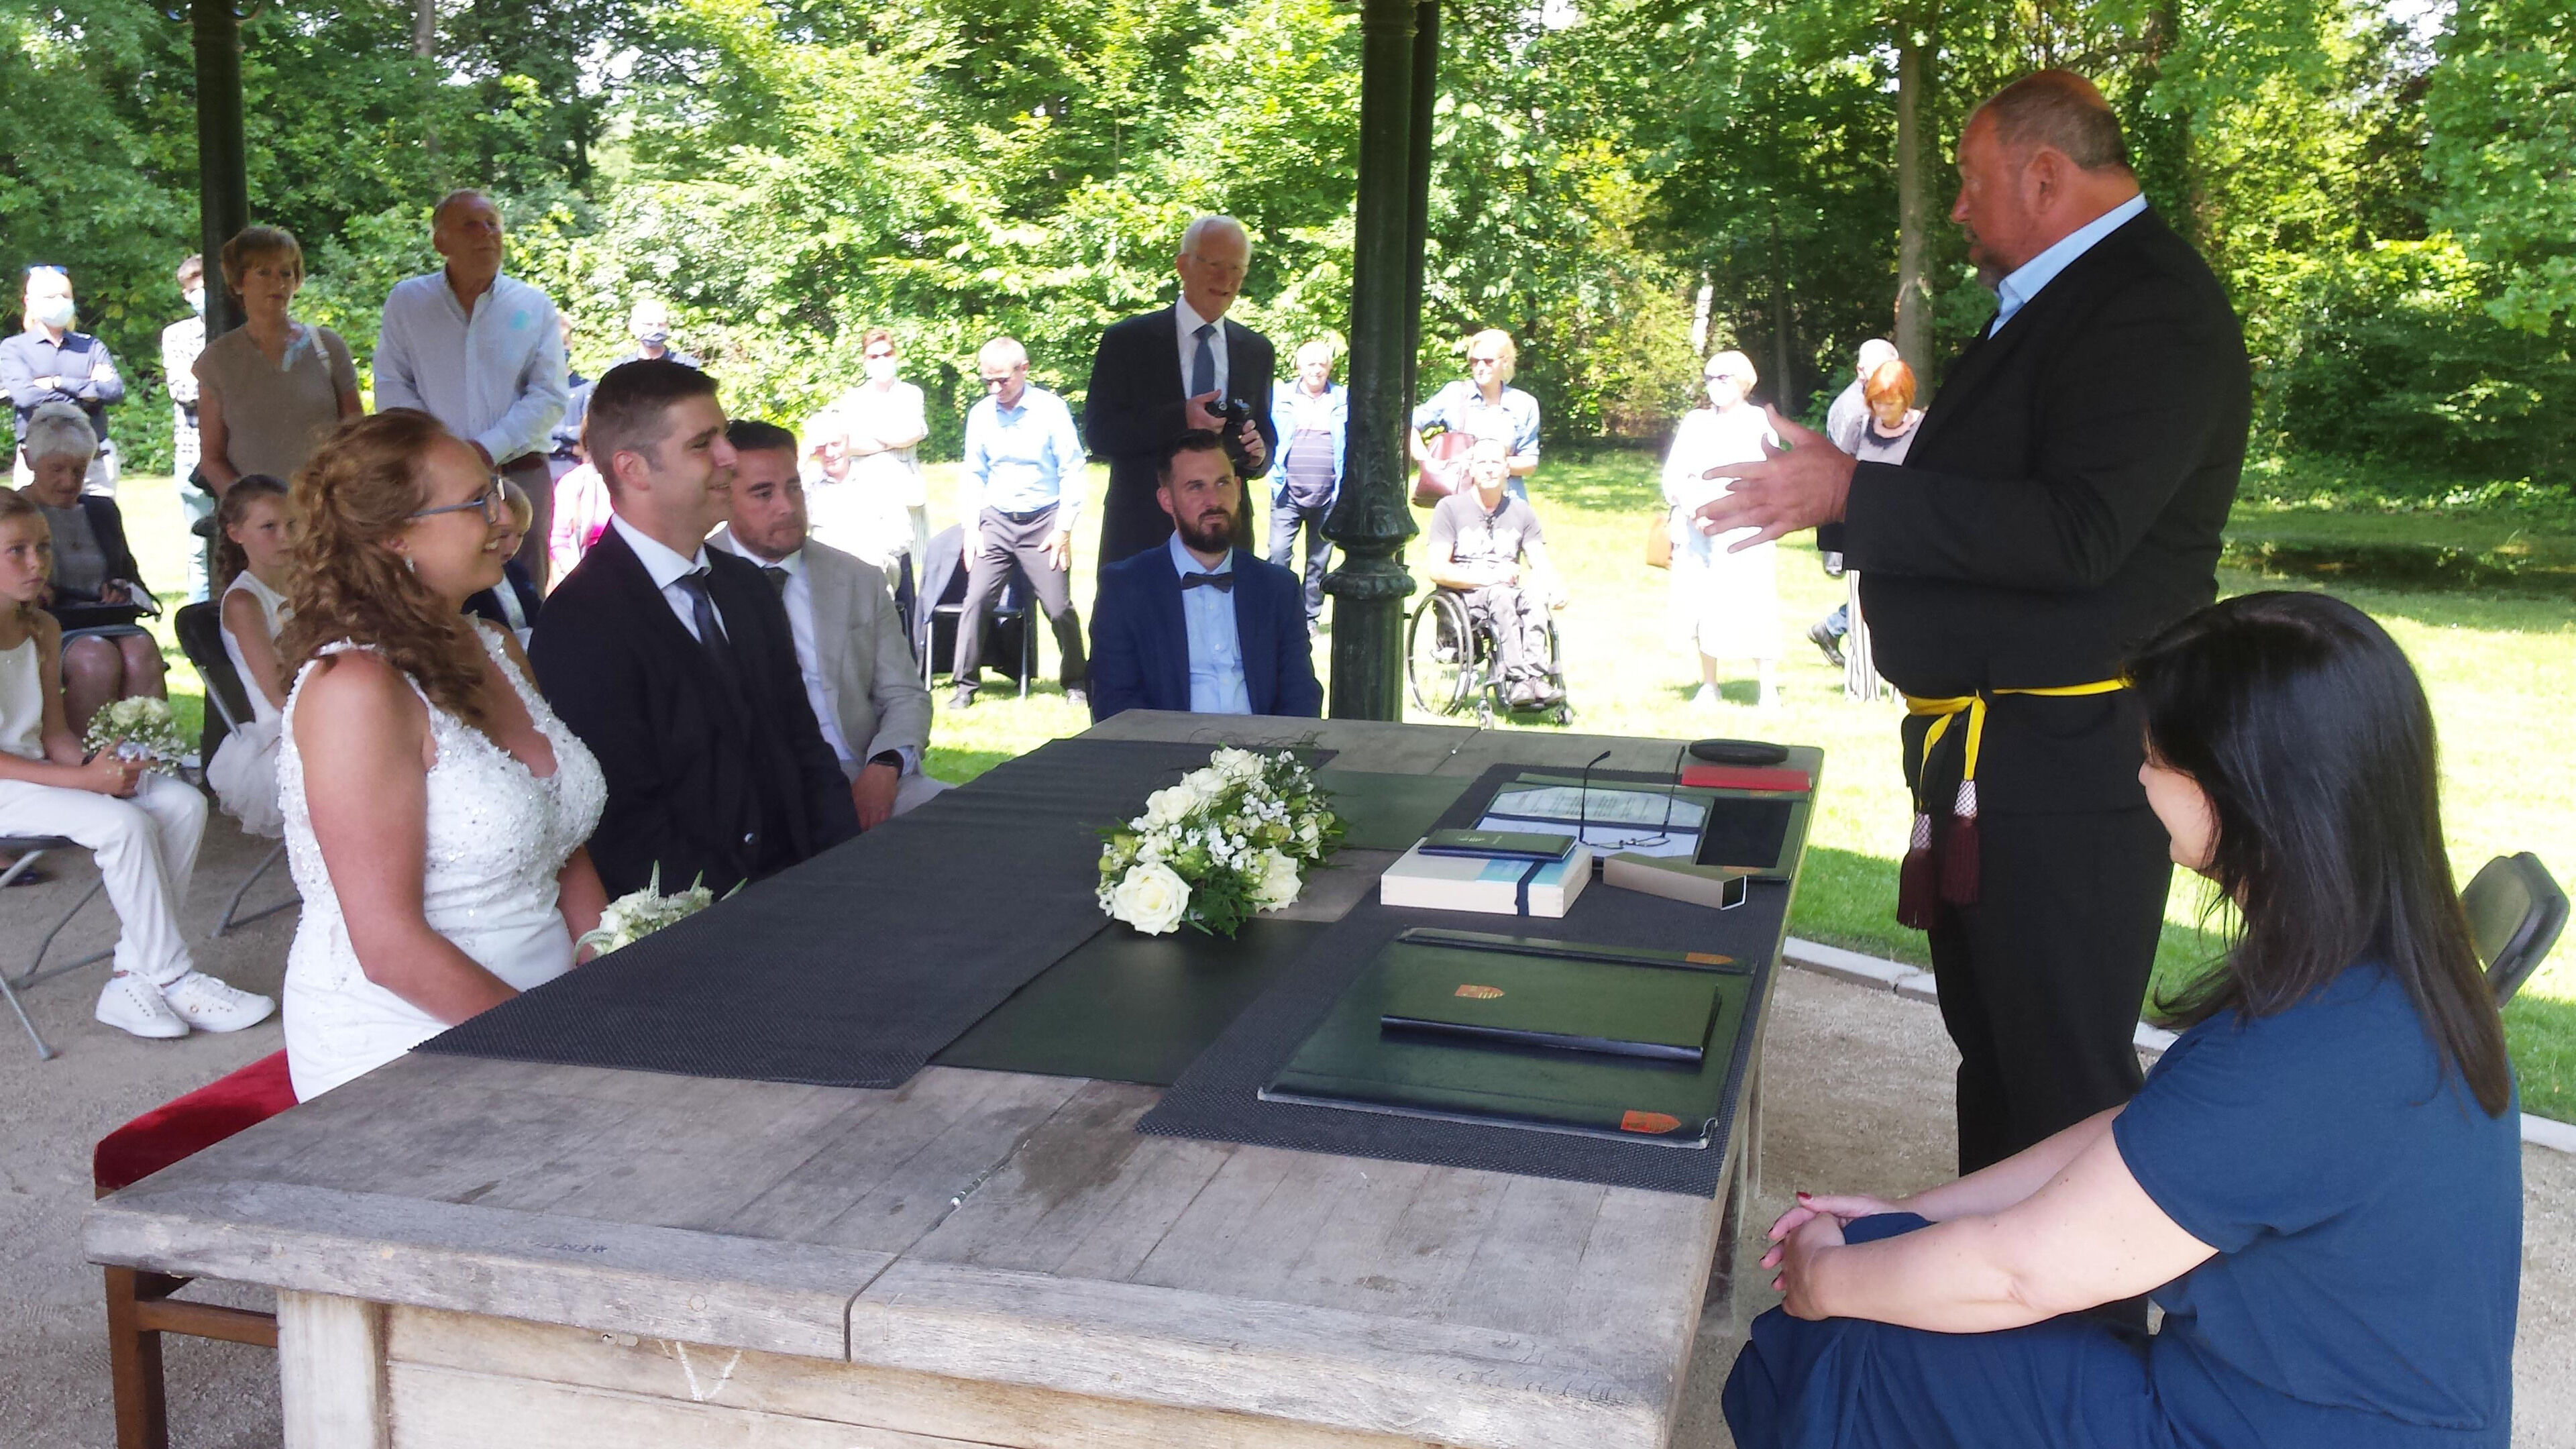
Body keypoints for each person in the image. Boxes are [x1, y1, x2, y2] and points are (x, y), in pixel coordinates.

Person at [1726, 591, 2520, 1449]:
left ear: (2247, 790)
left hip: (2252, 1429)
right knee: (1886, 1286)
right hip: (2277, 1407)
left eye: (2158, 756)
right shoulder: (2377, 976)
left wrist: (1829, 1282)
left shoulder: (2309, 1051)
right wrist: (1913, 1214)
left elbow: (2020, 1274)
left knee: (1836, 1352)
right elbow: (2140, 1141)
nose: (2139, 774)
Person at [1699, 70, 2252, 1173]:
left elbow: (2079, 532)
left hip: (2069, 769)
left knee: (2059, 1078)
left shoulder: (2149, 307)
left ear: (2044, 177)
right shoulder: (2070, 297)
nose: (1957, 208)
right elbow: (2001, 499)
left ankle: (2071, 1288)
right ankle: (1992, 1276)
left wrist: (1855, 493)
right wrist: (1848, 492)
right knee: (2000, 1058)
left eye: (1969, 181)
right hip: (2003, 761)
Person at [276, 409, 607, 1099]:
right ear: (395, 536)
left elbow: (560, 837)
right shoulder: (356, 689)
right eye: (477, 501)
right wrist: (562, 1046)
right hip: (404, 1042)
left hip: (555, 1010)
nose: (506, 518)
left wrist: (609, 972)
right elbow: (388, 946)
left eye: (498, 492)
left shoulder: (494, 645)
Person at [531, 360, 859, 899]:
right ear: (634, 469)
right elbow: (626, 819)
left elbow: (805, 747)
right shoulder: (581, 622)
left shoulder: (745, 586)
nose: (730, 456)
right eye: (703, 444)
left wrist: (844, 871)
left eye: (723, 436)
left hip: (811, 889)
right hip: (702, 919)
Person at [0, 488, 272, 1040]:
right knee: (121, 825)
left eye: (44, 547)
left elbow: (53, 733)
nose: (37, 563)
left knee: (181, 803)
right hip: (9, 785)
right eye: (17, 551)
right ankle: (173, 976)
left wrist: (99, 765)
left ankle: (132, 975)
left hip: (40, 774)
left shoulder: (42, 628)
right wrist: (82, 780)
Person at [710, 420, 946, 827]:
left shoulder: (857, 579)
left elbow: (905, 695)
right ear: (723, 498)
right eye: (763, 493)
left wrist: (886, 764)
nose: (787, 506)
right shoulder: (699, 580)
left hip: (860, 770)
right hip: (752, 795)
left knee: (966, 825)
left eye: (794, 487)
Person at [373, 189, 570, 588]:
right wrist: (442, 452)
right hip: (432, 476)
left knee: (524, 587)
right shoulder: (407, 302)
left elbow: (549, 395)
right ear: (440, 242)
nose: (486, 234)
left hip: (518, 471)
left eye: (492, 224)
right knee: (436, 583)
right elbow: (392, 385)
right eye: (470, 225)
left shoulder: (533, 306)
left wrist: (485, 450)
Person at [1084, 215, 1276, 574]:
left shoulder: (1256, 350)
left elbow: (1265, 438)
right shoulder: (1128, 342)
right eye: (1215, 265)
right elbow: (1100, 434)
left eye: (1237, 269)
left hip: (1225, 543)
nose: (1226, 280)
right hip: (1141, 536)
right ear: (1183, 266)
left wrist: (1257, 455)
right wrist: (1181, 418)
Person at [1088, 430, 1321, 722]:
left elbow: (1300, 695)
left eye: (1223, 483)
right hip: (1165, 745)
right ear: (1167, 500)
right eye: (1196, 487)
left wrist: (1273, 749)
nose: (1213, 500)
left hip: (1264, 745)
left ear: (1238, 489)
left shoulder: (1277, 588)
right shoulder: (1126, 588)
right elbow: (1115, 702)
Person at [951, 337, 1090, 711]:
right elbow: (974, 472)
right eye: (987, 381)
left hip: (1044, 521)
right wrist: (971, 527)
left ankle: (1077, 681)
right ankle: (964, 685)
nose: (995, 389)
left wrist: (1063, 528)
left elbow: (1072, 469)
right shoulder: (981, 415)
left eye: (1002, 380)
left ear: (1024, 370)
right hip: (996, 520)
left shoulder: (1050, 410)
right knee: (976, 600)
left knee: (1058, 607)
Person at [17, 403, 165, 734]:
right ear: (29, 460)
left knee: (142, 651)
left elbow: (132, 577)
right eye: (57, 469)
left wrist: (120, 588)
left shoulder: (102, 511)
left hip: (105, 620)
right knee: (96, 658)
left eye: (79, 469)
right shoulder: (15, 513)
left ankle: (147, 754)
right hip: (43, 627)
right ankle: (84, 759)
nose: (69, 481)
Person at [195, 226, 364, 498]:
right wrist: (252, 508)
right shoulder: (216, 360)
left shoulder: (327, 347)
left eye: (286, 273)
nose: (279, 283)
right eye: (264, 272)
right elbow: (212, 459)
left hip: (326, 507)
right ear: (238, 283)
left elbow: (357, 439)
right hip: (258, 517)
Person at [1662, 351, 1782, 710]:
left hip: (1744, 529)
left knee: (1756, 604)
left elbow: (1769, 478)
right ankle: (1710, 685)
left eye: (1723, 378)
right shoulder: (1695, 422)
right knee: (1701, 605)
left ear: (1743, 382)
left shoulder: (1759, 421)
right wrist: (1696, 510)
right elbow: (1674, 476)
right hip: (1696, 530)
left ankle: (1768, 690)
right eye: (1710, 378)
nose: (1715, 385)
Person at [1422, 437, 1565, 709]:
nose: (1489, 469)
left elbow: (1539, 561)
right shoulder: (1449, 508)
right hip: (1465, 596)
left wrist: (1555, 587)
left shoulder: (1521, 511)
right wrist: (1489, 578)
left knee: (1535, 598)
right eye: (1482, 463)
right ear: (1471, 469)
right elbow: (1437, 569)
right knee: (1500, 594)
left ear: (1507, 469)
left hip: (1507, 593)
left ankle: (1536, 678)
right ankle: (1517, 679)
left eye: (1496, 463)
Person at [1807, 356, 1924, 670]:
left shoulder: (1923, 430)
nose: (1883, 410)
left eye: (1890, 403)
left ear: (1906, 398)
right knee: (1866, 611)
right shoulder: (1860, 427)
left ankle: (1903, 677)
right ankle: (1861, 680)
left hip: (1909, 539)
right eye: (1877, 403)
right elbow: (1840, 476)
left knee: (1906, 611)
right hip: (1865, 539)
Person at [204, 476, 294, 836]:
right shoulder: (245, 602)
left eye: (292, 524)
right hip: (285, 725)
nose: (286, 537)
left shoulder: (311, 586)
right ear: (237, 534)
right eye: (269, 527)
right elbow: (277, 694)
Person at [817, 329, 930, 575]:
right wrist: (895, 438)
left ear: (895, 355)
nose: (881, 360)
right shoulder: (853, 398)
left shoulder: (911, 394)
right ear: (865, 359)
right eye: (874, 356)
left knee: (904, 562)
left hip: (904, 488)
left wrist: (873, 430)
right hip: (866, 490)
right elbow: (850, 444)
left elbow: (912, 433)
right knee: (869, 560)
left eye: (886, 354)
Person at [3, 265, 123, 494]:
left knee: (99, 515)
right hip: (38, 461)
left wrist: (57, 382)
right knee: (36, 518)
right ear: (29, 302)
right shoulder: (13, 348)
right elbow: (26, 397)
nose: (59, 302)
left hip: (95, 462)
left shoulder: (91, 346)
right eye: (50, 297)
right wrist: (88, 396)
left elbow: (114, 391)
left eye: (65, 296)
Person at [1266, 339, 1345, 631]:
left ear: (1330, 368)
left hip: (1328, 494)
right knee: (1278, 554)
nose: (1316, 370)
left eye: (1322, 364)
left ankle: (1309, 618)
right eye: (1311, 364)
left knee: (1319, 562)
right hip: (1286, 491)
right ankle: (1275, 613)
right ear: (1299, 366)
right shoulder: (1280, 397)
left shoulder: (1342, 399)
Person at [1411, 328, 1540, 500]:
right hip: (1461, 501)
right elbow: (1408, 425)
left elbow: (1530, 463)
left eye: (1488, 361)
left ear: (1505, 362)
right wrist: (1428, 463)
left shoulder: (1524, 404)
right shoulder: (1455, 394)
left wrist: (1487, 462)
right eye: (1474, 361)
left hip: (1509, 502)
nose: (1480, 368)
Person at [162, 256, 209, 598]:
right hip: (195, 453)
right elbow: (183, 390)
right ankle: (202, 613)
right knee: (200, 546)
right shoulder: (177, 335)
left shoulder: (249, 331)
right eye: (195, 289)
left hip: (249, 451)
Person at [464, 480, 543, 645]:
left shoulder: (518, 572)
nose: (513, 545)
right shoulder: (471, 584)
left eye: (520, 535)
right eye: (503, 535)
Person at [1822, 337, 1900, 454]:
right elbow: (1845, 461)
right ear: (1861, 371)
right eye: (1880, 372)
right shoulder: (1851, 410)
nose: (1890, 379)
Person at [547, 313, 591, 481]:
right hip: (538, 474)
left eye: (564, 343)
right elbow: (528, 437)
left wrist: (551, 435)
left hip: (576, 477)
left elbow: (587, 437)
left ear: (571, 344)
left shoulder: (587, 388)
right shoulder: (530, 389)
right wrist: (569, 445)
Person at [613, 297, 701, 371]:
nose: (655, 330)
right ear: (632, 327)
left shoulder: (687, 366)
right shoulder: (619, 368)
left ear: (667, 326)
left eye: (660, 324)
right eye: (648, 324)